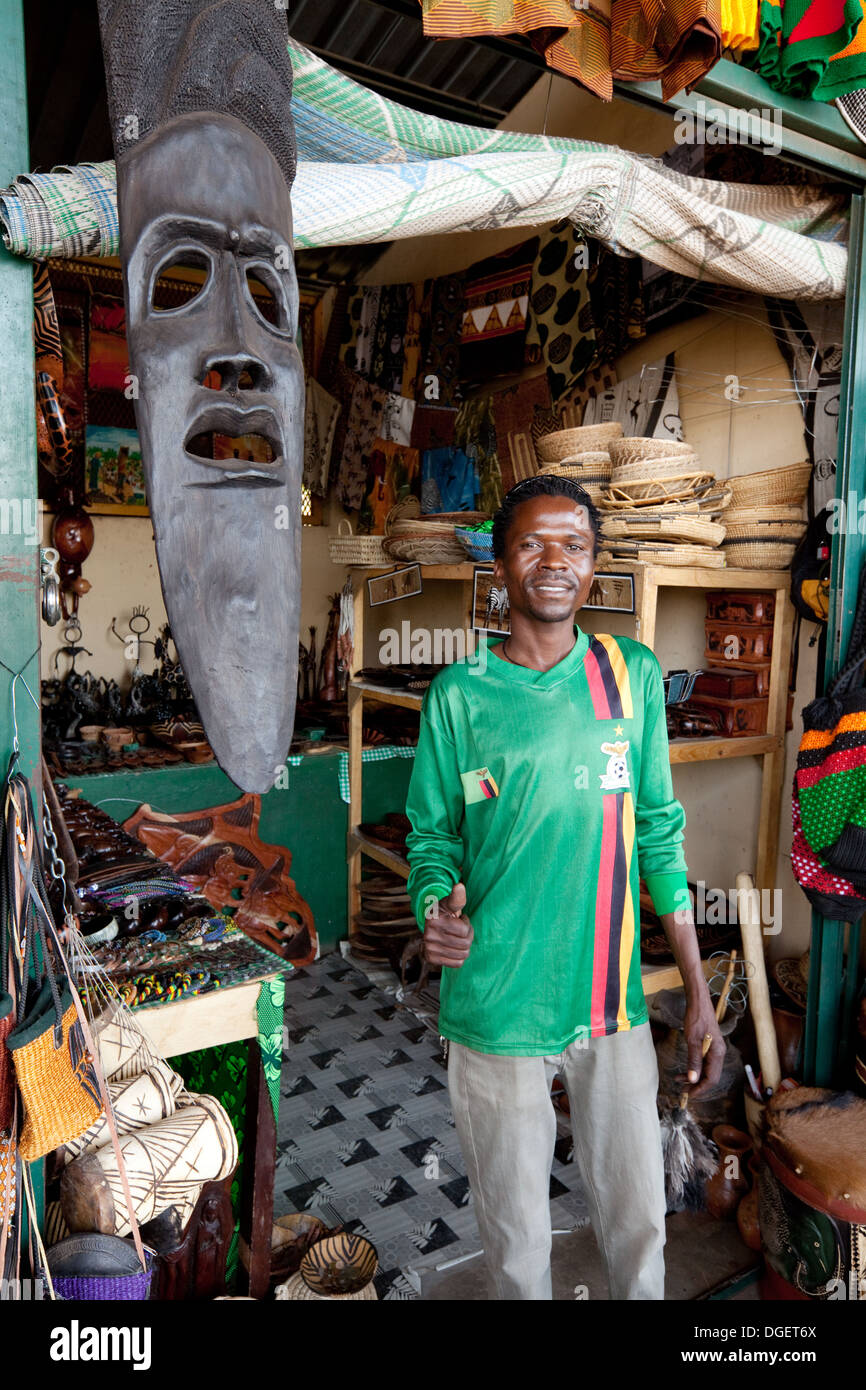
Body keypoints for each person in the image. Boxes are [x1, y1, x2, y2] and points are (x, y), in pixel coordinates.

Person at [405, 475, 724, 1301]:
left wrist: (696, 990)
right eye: (533, 545)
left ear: (593, 566)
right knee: (516, 1247)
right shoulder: (460, 697)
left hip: (608, 1003)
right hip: (493, 1004)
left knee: (638, 1222)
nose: (555, 562)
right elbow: (432, 838)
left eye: (574, 546)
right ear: (501, 567)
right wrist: (432, 906)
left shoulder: (632, 677)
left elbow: (658, 830)